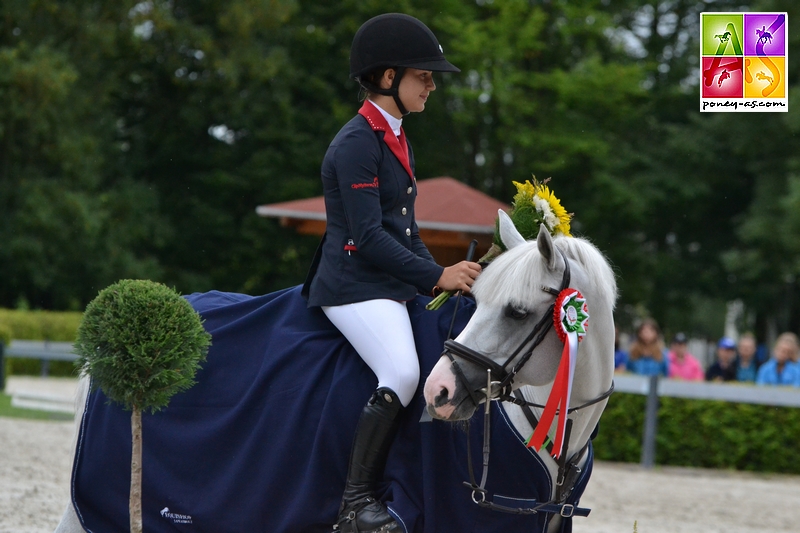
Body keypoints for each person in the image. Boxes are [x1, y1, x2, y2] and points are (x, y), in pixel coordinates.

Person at [301, 14, 481, 533]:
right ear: (386, 78)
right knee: (402, 373)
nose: (431, 82)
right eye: (422, 74)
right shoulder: (357, 142)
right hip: (352, 284)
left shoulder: (395, 136)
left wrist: (449, 276)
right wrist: (434, 277)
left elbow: (406, 228)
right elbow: (368, 237)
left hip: (386, 282)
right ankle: (355, 504)